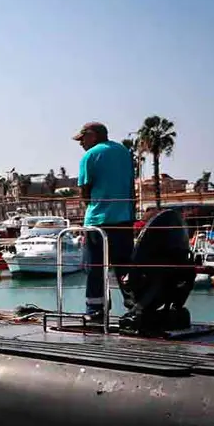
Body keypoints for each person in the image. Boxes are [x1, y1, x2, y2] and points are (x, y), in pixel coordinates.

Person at [74, 122, 136, 320]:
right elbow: (130, 186)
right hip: (124, 219)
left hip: (98, 220)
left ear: (92, 136)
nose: (81, 143)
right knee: (125, 266)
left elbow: (85, 191)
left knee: (95, 267)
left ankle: (95, 310)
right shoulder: (124, 152)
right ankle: (134, 306)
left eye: (82, 139)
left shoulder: (90, 155)